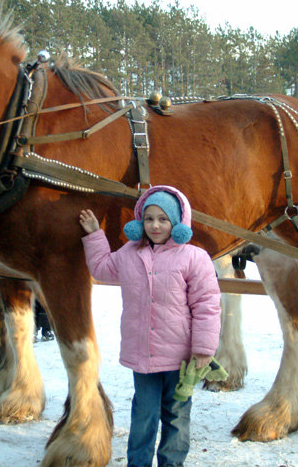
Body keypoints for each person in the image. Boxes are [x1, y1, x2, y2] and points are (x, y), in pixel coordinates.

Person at [79, 185, 221, 466]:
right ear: (140, 222)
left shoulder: (193, 258)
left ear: (177, 222)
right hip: (143, 356)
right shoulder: (130, 253)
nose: (155, 225)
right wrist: (95, 235)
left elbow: (207, 304)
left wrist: (203, 348)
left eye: (163, 219)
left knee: (176, 416)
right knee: (144, 415)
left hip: (181, 358)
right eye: (149, 218)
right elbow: (102, 269)